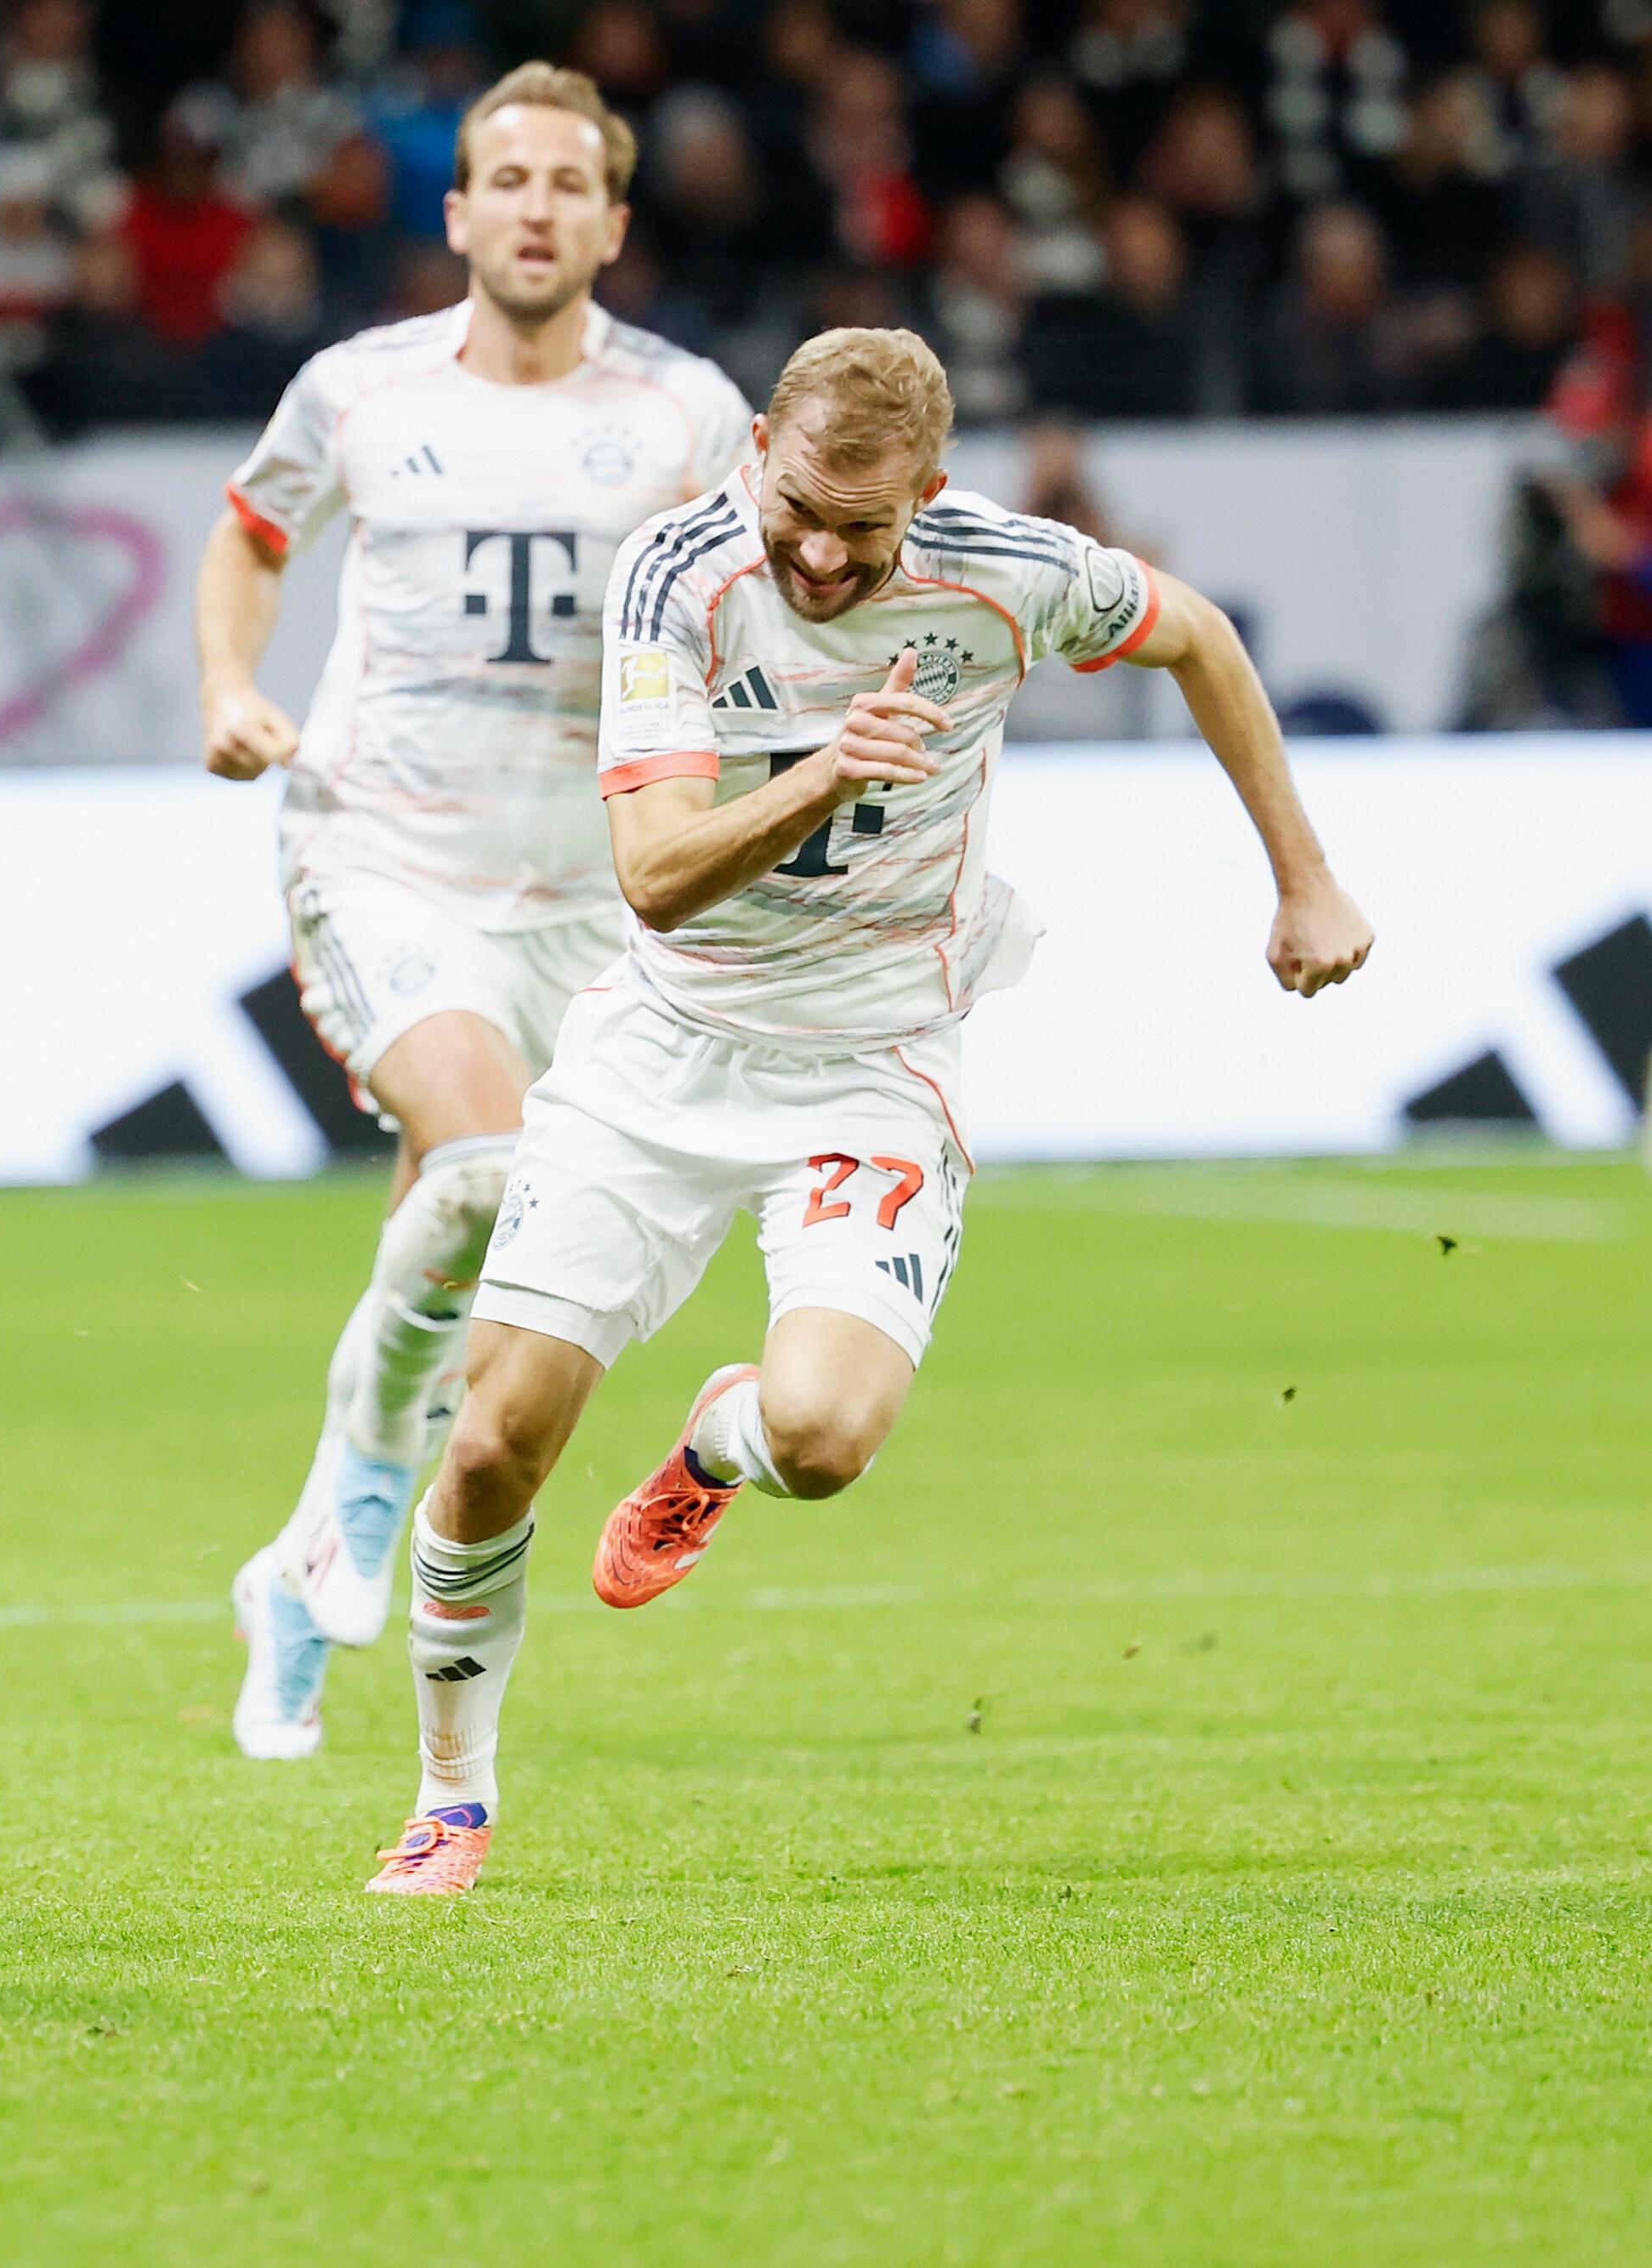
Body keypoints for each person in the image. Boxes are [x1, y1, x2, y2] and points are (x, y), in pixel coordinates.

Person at [363, 327, 1374, 1896]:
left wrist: (1304, 877)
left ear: (933, 493)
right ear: (757, 452)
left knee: (823, 1441)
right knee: (495, 1444)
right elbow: (657, 878)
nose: (825, 556)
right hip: (661, 1054)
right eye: (800, 512)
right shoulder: (675, 577)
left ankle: (719, 1437)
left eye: (867, 526)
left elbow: (1200, 636)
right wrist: (828, 774)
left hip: (872, 1062)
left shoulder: (1013, 574)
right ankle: (453, 1800)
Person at [196, 62, 753, 1765]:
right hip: (384, 853)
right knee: (488, 1162)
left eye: (565, 183)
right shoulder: (359, 390)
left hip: (599, 897)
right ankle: (361, 1502)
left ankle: (300, 1572)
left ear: (611, 222)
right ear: (454, 212)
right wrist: (230, 684)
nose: (532, 206)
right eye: (504, 178)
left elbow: (762, 607)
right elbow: (251, 534)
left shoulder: (686, 414)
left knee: (480, 1260)